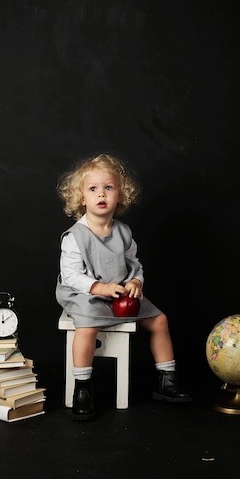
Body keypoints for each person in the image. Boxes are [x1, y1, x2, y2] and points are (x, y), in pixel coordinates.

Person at [55, 153, 193, 420]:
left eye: (108, 187)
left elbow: (134, 264)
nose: (101, 194)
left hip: (119, 292)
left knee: (160, 320)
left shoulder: (123, 232)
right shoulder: (75, 236)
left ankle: (167, 380)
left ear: (120, 194)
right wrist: (99, 288)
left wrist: (135, 282)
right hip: (87, 293)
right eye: (93, 189)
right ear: (82, 198)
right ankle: (82, 388)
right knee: (86, 327)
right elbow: (71, 275)